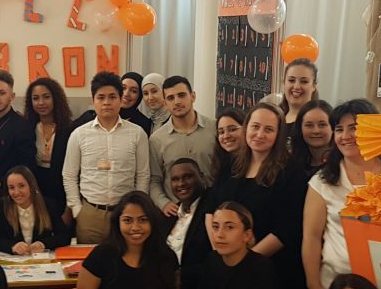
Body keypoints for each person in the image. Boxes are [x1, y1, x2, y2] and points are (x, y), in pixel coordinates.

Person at [207, 102, 309, 289]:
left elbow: (287, 229)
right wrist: (221, 251)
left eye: (268, 129)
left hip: (271, 268)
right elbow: (213, 208)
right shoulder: (231, 165)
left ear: (279, 134)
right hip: (231, 263)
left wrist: (244, 262)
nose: (260, 134)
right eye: (255, 127)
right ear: (246, 128)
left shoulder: (291, 172)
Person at [303, 99, 381, 289]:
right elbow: (311, 238)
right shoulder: (322, 182)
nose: (346, 136)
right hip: (337, 286)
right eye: (339, 129)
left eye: (354, 128)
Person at [62, 71, 150, 244]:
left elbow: (143, 175)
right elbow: (69, 175)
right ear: (93, 100)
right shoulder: (79, 134)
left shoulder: (137, 133)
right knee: (89, 259)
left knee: (126, 259)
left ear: (120, 99)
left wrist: (138, 208)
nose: (106, 102)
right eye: (101, 97)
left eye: (112, 97)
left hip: (126, 213)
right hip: (90, 214)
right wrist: (77, 209)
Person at [149, 75, 216, 215]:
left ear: (193, 96)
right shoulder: (157, 139)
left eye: (181, 95)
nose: (177, 102)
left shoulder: (214, 129)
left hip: (211, 209)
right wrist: (164, 203)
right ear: (165, 103)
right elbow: (154, 179)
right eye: (170, 98)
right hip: (176, 212)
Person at [164, 158, 211, 289]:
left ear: (201, 177)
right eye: (175, 179)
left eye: (187, 177)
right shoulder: (169, 215)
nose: (181, 184)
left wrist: (178, 276)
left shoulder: (212, 210)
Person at [0, 165, 70, 254]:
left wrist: (43, 244)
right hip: (14, 259)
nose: (16, 192)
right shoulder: (2, 206)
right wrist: (12, 246)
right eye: (11, 188)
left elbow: (64, 237)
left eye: (21, 186)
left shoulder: (48, 205)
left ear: (31, 186)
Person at [23, 76, 73, 213]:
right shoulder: (28, 128)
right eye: (35, 98)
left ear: (55, 98)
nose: (41, 103)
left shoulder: (68, 129)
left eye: (46, 97)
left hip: (60, 188)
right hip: (34, 187)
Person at [0, 69, 36, 194]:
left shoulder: (23, 126)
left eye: (2, 93)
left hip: (11, 194)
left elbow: (27, 167)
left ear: (12, 96)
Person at [278, 59, 319, 148]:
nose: (296, 87)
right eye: (291, 80)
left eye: (304, 81)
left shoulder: (318, 121)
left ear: (314, 86)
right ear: (284, 83)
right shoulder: (275, 116)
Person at [290, 99, 333, 182]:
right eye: (309, 125)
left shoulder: (342, 165)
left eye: (322, 125)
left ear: (333, 128)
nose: (316, 131)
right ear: (300, 129)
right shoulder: (291, 166)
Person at [211, 108, 245, 183]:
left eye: (232, 129)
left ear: (247, 129)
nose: (226, 136)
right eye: (221, 132)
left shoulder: (255, 165)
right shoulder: (221, 163)